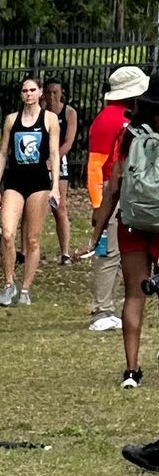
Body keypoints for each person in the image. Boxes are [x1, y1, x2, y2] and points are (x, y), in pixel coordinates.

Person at [94, 89, 159, 393]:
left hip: (132, 222)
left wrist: (98, 232)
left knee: (134, 295)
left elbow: (113, 186)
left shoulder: (128, 135)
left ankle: (131, 371)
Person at [87, 65, 148, 333]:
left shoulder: (118, 119)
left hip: (123, 193)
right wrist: (99, 204)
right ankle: (102, 308)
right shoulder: (112, 121)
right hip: (114, 193)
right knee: (108, 252)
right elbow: (96, 165)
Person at [0, 76, 55, 306]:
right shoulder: (12, 119)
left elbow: (55, 154)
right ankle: (9, 283)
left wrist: (56, 186)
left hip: (39, 182)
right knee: (8, 233)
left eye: (32, 90)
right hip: (15, 181)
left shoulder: (50, 119)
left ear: (40, 92)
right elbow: (2, 152)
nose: (28, 94)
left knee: (32, 239)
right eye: (24, 91)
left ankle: (26, 288)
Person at [45, 78, 79, 262]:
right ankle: (25, 250)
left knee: (59, 206)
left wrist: (54, 158)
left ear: (61, 93)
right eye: (49, 92)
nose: (52, 97)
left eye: (55, 93)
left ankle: (65, 252)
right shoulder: (40, 112)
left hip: (59, 159)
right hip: (40, 159)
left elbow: (69, 142)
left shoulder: (69, 113)